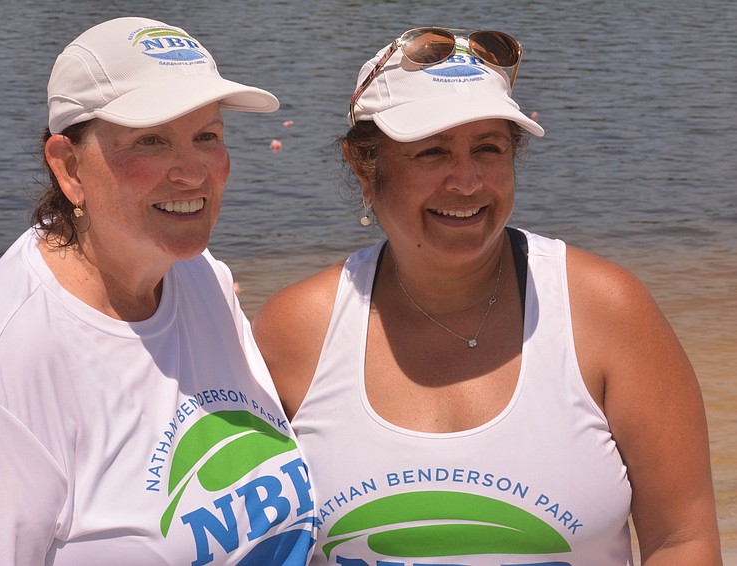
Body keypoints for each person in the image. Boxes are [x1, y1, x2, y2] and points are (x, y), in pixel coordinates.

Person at [253, 27, 721, 565]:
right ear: (365, 167)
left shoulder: (606, 309)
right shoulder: (295, 329)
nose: (467, 181)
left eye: (488, 148)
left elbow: (682, 540)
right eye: (431, 152)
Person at [0, 17, 315, 565]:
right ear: (69, 168)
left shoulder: (198, 276)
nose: (192, 172)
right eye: (150, 141)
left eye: (207, 136)